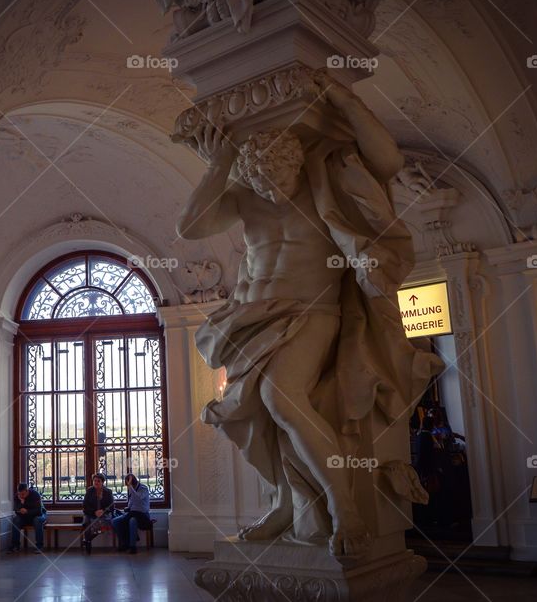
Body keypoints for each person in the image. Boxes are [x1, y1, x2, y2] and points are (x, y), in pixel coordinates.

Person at [177, 72, 442, 556]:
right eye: (261, 180)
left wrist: (346, 100)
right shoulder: (244, 194)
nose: (273, 189)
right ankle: (286, 502)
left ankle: (345, 507)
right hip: (252, 318)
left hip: (314, 313)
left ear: (296, 162)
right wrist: (220, 163)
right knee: (263, 418)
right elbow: (190, 225)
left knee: (282, 398)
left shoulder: (327, 180)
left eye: (279, 178)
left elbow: (388, 160)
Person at [112, 474, 151, 554]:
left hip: (143, 515)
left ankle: (132, 546)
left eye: (129, 485)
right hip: (132, 513)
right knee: (115, 521)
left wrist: (130, 487)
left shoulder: (143, 488)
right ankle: (125, 543)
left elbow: (138, 498)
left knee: (132, 521)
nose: (128, 487)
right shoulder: (131, 489)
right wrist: (128, 508)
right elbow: (131, 502)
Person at [8, 483, 46, 554]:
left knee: (37, 520)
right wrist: (22, 503)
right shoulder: (17, 496)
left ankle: (39, 546)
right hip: (25, 517)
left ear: (27, 491)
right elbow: (16, 510)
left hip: (39, 515)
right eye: (19, 494)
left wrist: (27, 511)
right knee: (16, 520)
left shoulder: (35, 495)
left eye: (23, 494)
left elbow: (39, 511)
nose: (21, 496)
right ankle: (15, 545)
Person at [81, 473, 113, 554]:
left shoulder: (108, 492)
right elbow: (85, 505)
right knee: (87, 523)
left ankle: (88, 540)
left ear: (102, 482)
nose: (96, 483)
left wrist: (103, 511)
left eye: (98, 481)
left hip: (104, 515)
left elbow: (111, 506)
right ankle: (88, 546)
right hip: (90, 513)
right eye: (95, 481)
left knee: (102, 526)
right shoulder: (89, 491)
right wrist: (94, 512)